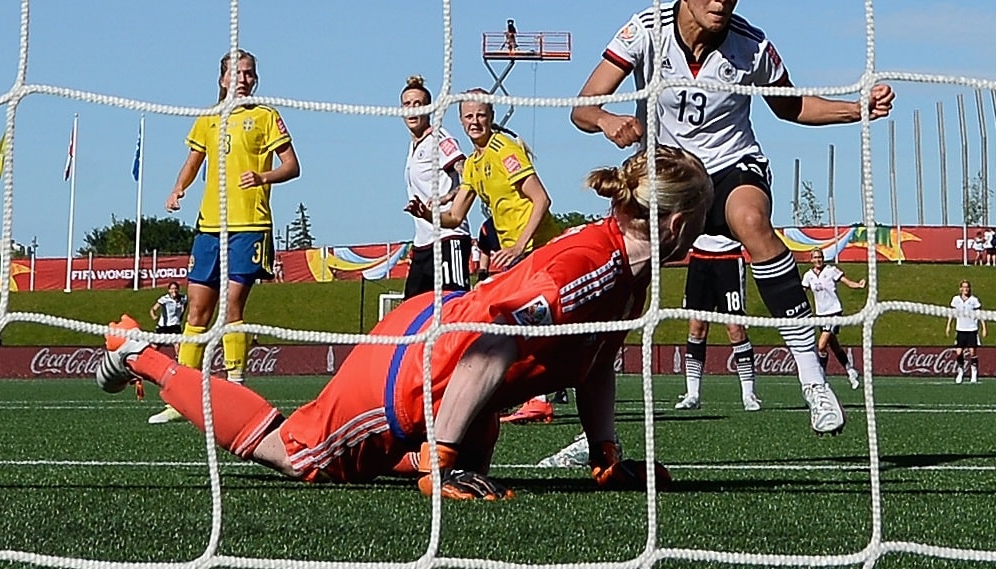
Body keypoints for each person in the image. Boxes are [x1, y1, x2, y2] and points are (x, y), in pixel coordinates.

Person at [96, 146, 711, 500]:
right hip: (420, 365)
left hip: (451, 352)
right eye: (704, 216)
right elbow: (491, 343)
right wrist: (443, 459)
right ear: (679, 224)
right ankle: (140, 350)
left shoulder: (631, 274)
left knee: (470, 462)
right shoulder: (589, 268)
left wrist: (606, 457)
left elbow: (595, 362)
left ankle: (429, 450)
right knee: (300, 457)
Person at [570, 0, 893, 436]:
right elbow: (581, 106)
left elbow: (790, 107)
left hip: (729, 167)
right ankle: (593, 432)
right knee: (622, 278)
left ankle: (813, 380)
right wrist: (607, 120)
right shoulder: (643, 31)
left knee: (751, 220)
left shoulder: (752, 45)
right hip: (668, 176)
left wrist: (858, 108)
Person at [153, 49, 300, 424]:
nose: (245, 80)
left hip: (249, 225)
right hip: (209, 226)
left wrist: (263, 177)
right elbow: (192, 162)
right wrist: (177, 189)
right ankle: (180, 396)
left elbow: (292, 166)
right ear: (222, 79)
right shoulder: (208, 119)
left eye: (250, 73)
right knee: (198, 308)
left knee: (232, 306)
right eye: (238, 74)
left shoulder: (265, 116)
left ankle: (236, 385)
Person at [410, 91, 563, 424]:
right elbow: (454, 217)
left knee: (525, 324)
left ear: (491, 117)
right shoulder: (475, 164)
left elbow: (542, 200)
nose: (474, 122)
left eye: (480, 115)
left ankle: (537, 398)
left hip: (539, 252)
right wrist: (426, 213)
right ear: (461, 121)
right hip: (517, 256)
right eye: (468, 117)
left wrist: (521, 245)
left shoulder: (505, 151)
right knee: (513, 324)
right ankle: (532, 396)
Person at [399, 75, 472, 298]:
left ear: (429, 109)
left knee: (452, 307)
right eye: (407, 104)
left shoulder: (439, 139)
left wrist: (449, 196)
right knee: (413, 311)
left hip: (448, 239)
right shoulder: (414, 146)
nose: (412, 110)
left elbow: (471, 174)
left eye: (418, 104)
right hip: (423, 244)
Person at [673, 234, 761, 411]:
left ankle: (748, 394)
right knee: (696, 328)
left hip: (729, 258)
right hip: (699, 259)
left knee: (735, 328)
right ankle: (693, 394)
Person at [801, 248, 866, 390]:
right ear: (811, 260)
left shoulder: (831, 270)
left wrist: (858, 285)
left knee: (821, 345)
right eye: (815, 257)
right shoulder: (808, 276)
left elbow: (846, 281)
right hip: (821, 314)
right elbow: (802, 292)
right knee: (834, 346)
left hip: (834, 312)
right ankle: (850, 371)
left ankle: (821, 377)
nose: (818, 260)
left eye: (820, 257)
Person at [947, 280, 984, 384]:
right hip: (960, 329)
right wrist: (949, 325)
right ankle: (960, 371)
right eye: (963, 287)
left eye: (967, 287)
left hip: (972, 329)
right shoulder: (956, 300)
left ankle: (974, 372)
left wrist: (984, 327)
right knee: (959, 352)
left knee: (972, 352)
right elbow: (952, 313)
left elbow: (980, 314)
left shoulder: (974, 300)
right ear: (960, 289)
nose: (965, 289)